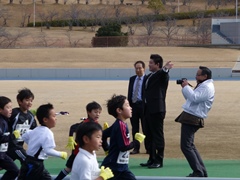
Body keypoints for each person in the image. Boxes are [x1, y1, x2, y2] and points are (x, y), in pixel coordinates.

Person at [175, 66, 215, 177]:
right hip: (192, 116)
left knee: (186, 146)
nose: (196, 77)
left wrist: (186, 87)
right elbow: (190, 99)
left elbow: (194, 98)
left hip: (192, 117)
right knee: (190, 145)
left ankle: (198, 171)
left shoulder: (206, 87)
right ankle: (201, 171)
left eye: (198, 75)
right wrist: (185, 88)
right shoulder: (204, 85)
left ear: (205, 76)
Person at [18, 103, 68, 180]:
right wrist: (60, 154)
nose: (56, 118)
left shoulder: (36, 130)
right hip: (34, 165)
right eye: (54, 116)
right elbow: (48, 150)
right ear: (45, 119)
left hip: (32, 163)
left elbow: (24, 136)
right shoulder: (48, 133)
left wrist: (33, 144)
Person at [140, 54, 173, 169]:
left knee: (157, 135)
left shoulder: (161, 75)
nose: (148, 64)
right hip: (147, 109)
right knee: (148, 135)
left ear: (157, 65)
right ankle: (152, 158)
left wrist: (165, 69)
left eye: (151, 63)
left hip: (157, 110)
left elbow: (163, 74)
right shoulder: (149, 76)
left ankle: (159, 159)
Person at [101, 94, 145, 180]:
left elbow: (103, 135)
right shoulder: (121, 125)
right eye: (127, 105)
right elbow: (124, 146)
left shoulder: (119, 124)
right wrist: (137, 141)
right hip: (114, 168)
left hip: (119, 167)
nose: (131, 108)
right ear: (119, 110)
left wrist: (107, 149)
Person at [55, 101, 102, 180]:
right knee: (68, 168)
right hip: (78, 150)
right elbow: (73, 127)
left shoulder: (94, 123)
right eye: (95, 112)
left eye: (99, 112)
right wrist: (70, 137)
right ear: (88, 112)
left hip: (85, 150)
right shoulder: (85, 123)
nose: (97, 114)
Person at [7, 88, 37, 165]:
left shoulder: (31, 116)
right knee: (27, 161)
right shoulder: (14, 113)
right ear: (19, 101)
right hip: (12, 146)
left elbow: (34, 131)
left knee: (7, 167)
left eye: (31, 101)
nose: (29, 103)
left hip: (19, 146)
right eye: (27, 100)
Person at [127, 60, 149, 155]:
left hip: (144, 106)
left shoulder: (148, 79)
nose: (138, 70)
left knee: (146, 128)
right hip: (134, 106)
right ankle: (136, 148)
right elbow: (130, 92)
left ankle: (148, 148)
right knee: (135, 128)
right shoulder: (132, 79)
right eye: (136, 68)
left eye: (140, 68)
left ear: (144, 68)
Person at [0, 96, 20, 180]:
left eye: (11, 107)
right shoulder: (1, 122)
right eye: (7, 107)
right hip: (1, 155)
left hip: (3, 154)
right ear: (0, 110)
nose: (11, 109)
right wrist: (13, 136)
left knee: (14, 171)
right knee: (14, 170)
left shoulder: (5, 120)